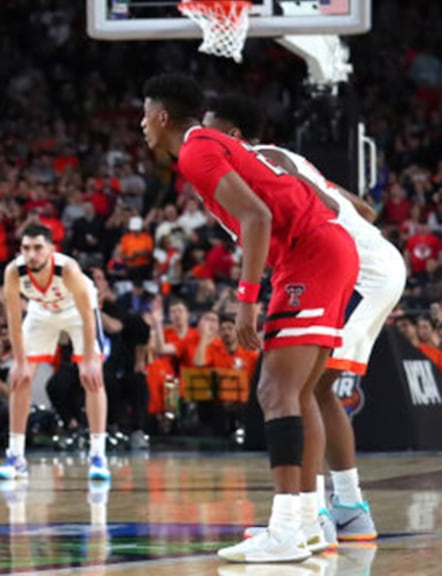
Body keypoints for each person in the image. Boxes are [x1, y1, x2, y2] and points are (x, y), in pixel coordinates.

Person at [140, 73, 359, 564]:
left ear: (161, 116)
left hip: (312, 253)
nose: (141, 126)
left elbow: (258, 217)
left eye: (143, 115)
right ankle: (305, 524)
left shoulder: (196, 150)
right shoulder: (211, 146)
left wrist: (246, 300)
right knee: (298, 395)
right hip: (320, 250)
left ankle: (285, 529)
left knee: (275, 392)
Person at [204, 93, 407, 543]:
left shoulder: (256, 161)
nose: (199, 137)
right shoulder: (279, 159)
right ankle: (347, 511)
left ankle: (312, 518)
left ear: (232, 137)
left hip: (356, 271)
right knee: (316, 388)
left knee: (295, 388)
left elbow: (326, 212)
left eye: (207, 128)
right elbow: (366, 211)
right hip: (369, 264)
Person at [0, 223, 110, 482]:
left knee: (91, 377)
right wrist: (19, 361)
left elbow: (88, 316)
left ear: (51, 249)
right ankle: (16, 457)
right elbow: (12, 317)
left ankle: (98, 456)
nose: (31, 254)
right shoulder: (14, 271)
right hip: (41, 311)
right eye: (25, 248)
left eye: (37, 248)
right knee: (20, 378)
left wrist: (89, 359)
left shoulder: (67, 269)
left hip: (78, 312)